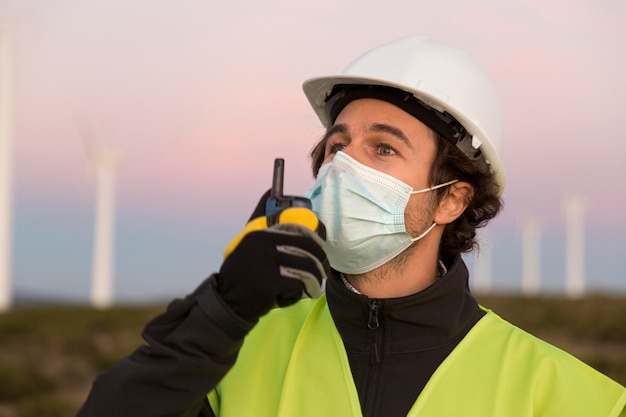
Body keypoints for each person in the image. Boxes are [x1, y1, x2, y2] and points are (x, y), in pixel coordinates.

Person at [77, 35, 626, 417]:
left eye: (382, 148)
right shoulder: (238, 352)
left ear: (452, 200)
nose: (344, 167)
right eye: (337, 146)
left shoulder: (567, 395)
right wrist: (223, 308)